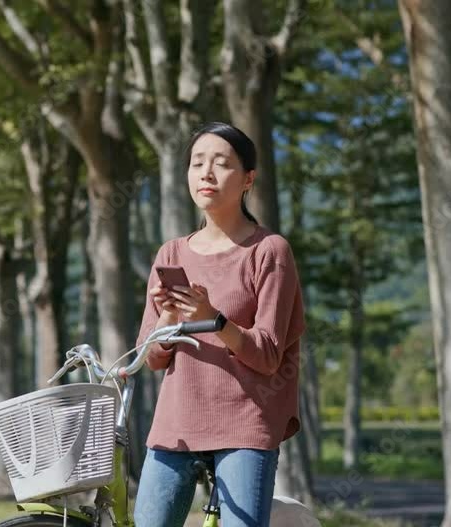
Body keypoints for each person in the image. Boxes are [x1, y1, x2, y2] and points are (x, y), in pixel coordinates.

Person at [133, 122, 306, 527]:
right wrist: (171, 317)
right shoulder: (171, 253)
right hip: (176, 425)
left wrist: (214, 320)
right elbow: (153, 358)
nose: (206, 173)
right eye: (197, 163)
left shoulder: (269, 251)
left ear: (248, 179)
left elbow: (266, 354)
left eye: (221, 163)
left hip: (245, 426)